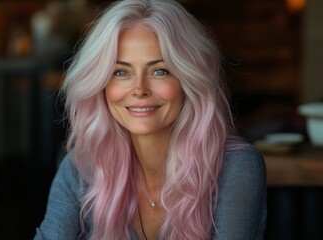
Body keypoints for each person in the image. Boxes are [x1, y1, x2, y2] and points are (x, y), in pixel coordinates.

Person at [34, 0, 267, 239]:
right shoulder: (81, 166)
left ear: (189, 81)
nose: (139, 89)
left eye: (159, 71)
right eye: (121, 72)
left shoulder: (236, 167)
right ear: (100, 84)